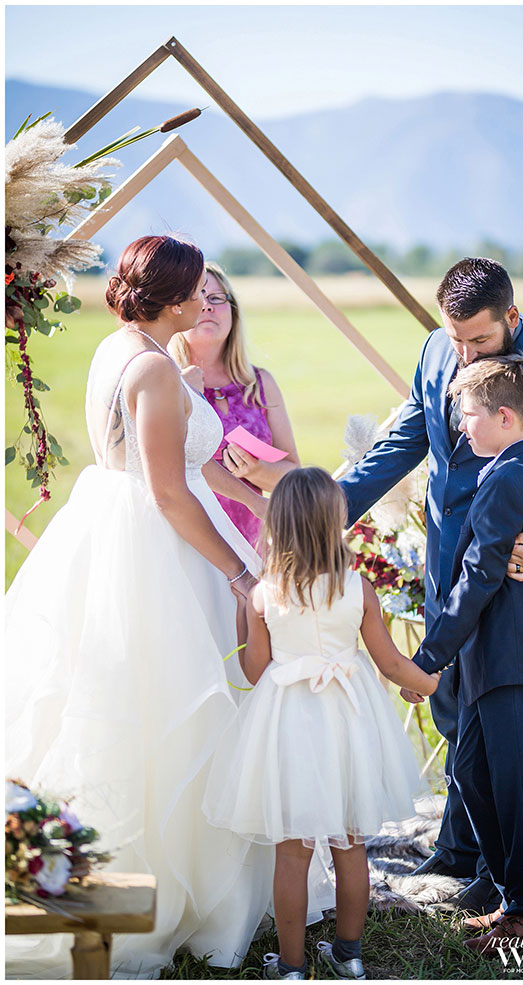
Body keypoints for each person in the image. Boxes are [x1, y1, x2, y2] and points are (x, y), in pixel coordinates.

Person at [5, 236, 279, 979]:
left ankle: (92, 880)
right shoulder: (156, 368)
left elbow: (189, 465)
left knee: (130, 700)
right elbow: (166, 489)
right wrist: (236, 572)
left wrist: (258, 497)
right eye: (197, 291)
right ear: (173, 296)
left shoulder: (122, 347)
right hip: (154, 549)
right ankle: (152, 892)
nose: (206, 301)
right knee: (165, 707)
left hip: (112, 525)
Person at [338, 257, 523, 914]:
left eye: (479, 342)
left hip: (512, 586)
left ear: (511, 318)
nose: (462, 355)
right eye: (454, 339)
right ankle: (463, 851)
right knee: (457, 723)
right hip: (446, 574)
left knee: (505, 741)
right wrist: (324, 513)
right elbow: (404, 441)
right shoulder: (438, 350)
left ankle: (515, 881)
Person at [203, 467, 439, 980]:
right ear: (335, 525)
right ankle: (349, 956)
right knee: (350, 844)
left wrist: (247, 615)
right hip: (347, 721)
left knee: (292, 852)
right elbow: (391, 664)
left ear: (278, 528)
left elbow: (254, 670)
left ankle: (290, 966)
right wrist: (432, 684)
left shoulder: (265, 595)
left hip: (287, 724)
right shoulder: (358, 589)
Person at [406, 354, 523, 954]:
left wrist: (429, 657)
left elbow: (480, 574)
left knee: (515, 777)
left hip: (512, 648)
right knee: (473, 769)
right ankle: (508, 890)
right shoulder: (507, 466)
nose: (460, 427)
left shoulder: (511, 476)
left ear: (504, 416)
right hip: (488, 653)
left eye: (468, 415)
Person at [169, 262, 299, 549]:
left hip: (253, 542)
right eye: (198, 297)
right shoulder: (166, 380)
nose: (207, 306)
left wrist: (252, 469)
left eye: (217, 298)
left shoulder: (260, 384)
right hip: (187, 543)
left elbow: (293, 474)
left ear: (233, 312)